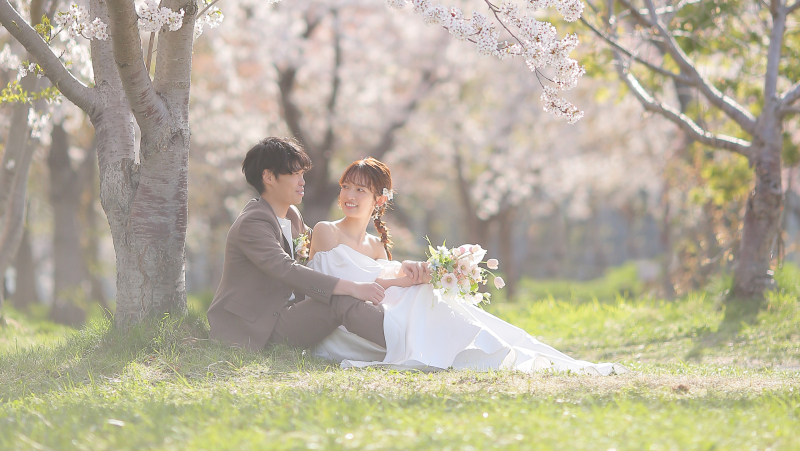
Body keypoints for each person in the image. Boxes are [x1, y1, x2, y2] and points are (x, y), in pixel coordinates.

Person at [308, 157, 624, 374]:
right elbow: (321, 286)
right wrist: (399, 282)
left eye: (360, 190)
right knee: (425, 299)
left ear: (379, 200)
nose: (349, 195)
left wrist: (416, 275)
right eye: (345, 186)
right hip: (344, 322)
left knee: (433, 296)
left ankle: (507, 346)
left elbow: (384, 283)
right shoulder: (326, 231)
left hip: (383, 311)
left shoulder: (377, 246)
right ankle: (486, 347)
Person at [207, 137, 427, 353]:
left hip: (287, 317)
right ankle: (408, 347)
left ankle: (414, 338)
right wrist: (352, 287)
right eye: (295, 174)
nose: (302, 181)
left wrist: (400, 269)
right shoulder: (252, 223)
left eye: (303, 174)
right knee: (339, 300)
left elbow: (343, 255)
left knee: (340, 298)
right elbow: (287, 269)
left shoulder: (292, 216)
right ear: (268, 177)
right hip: (255, 329)